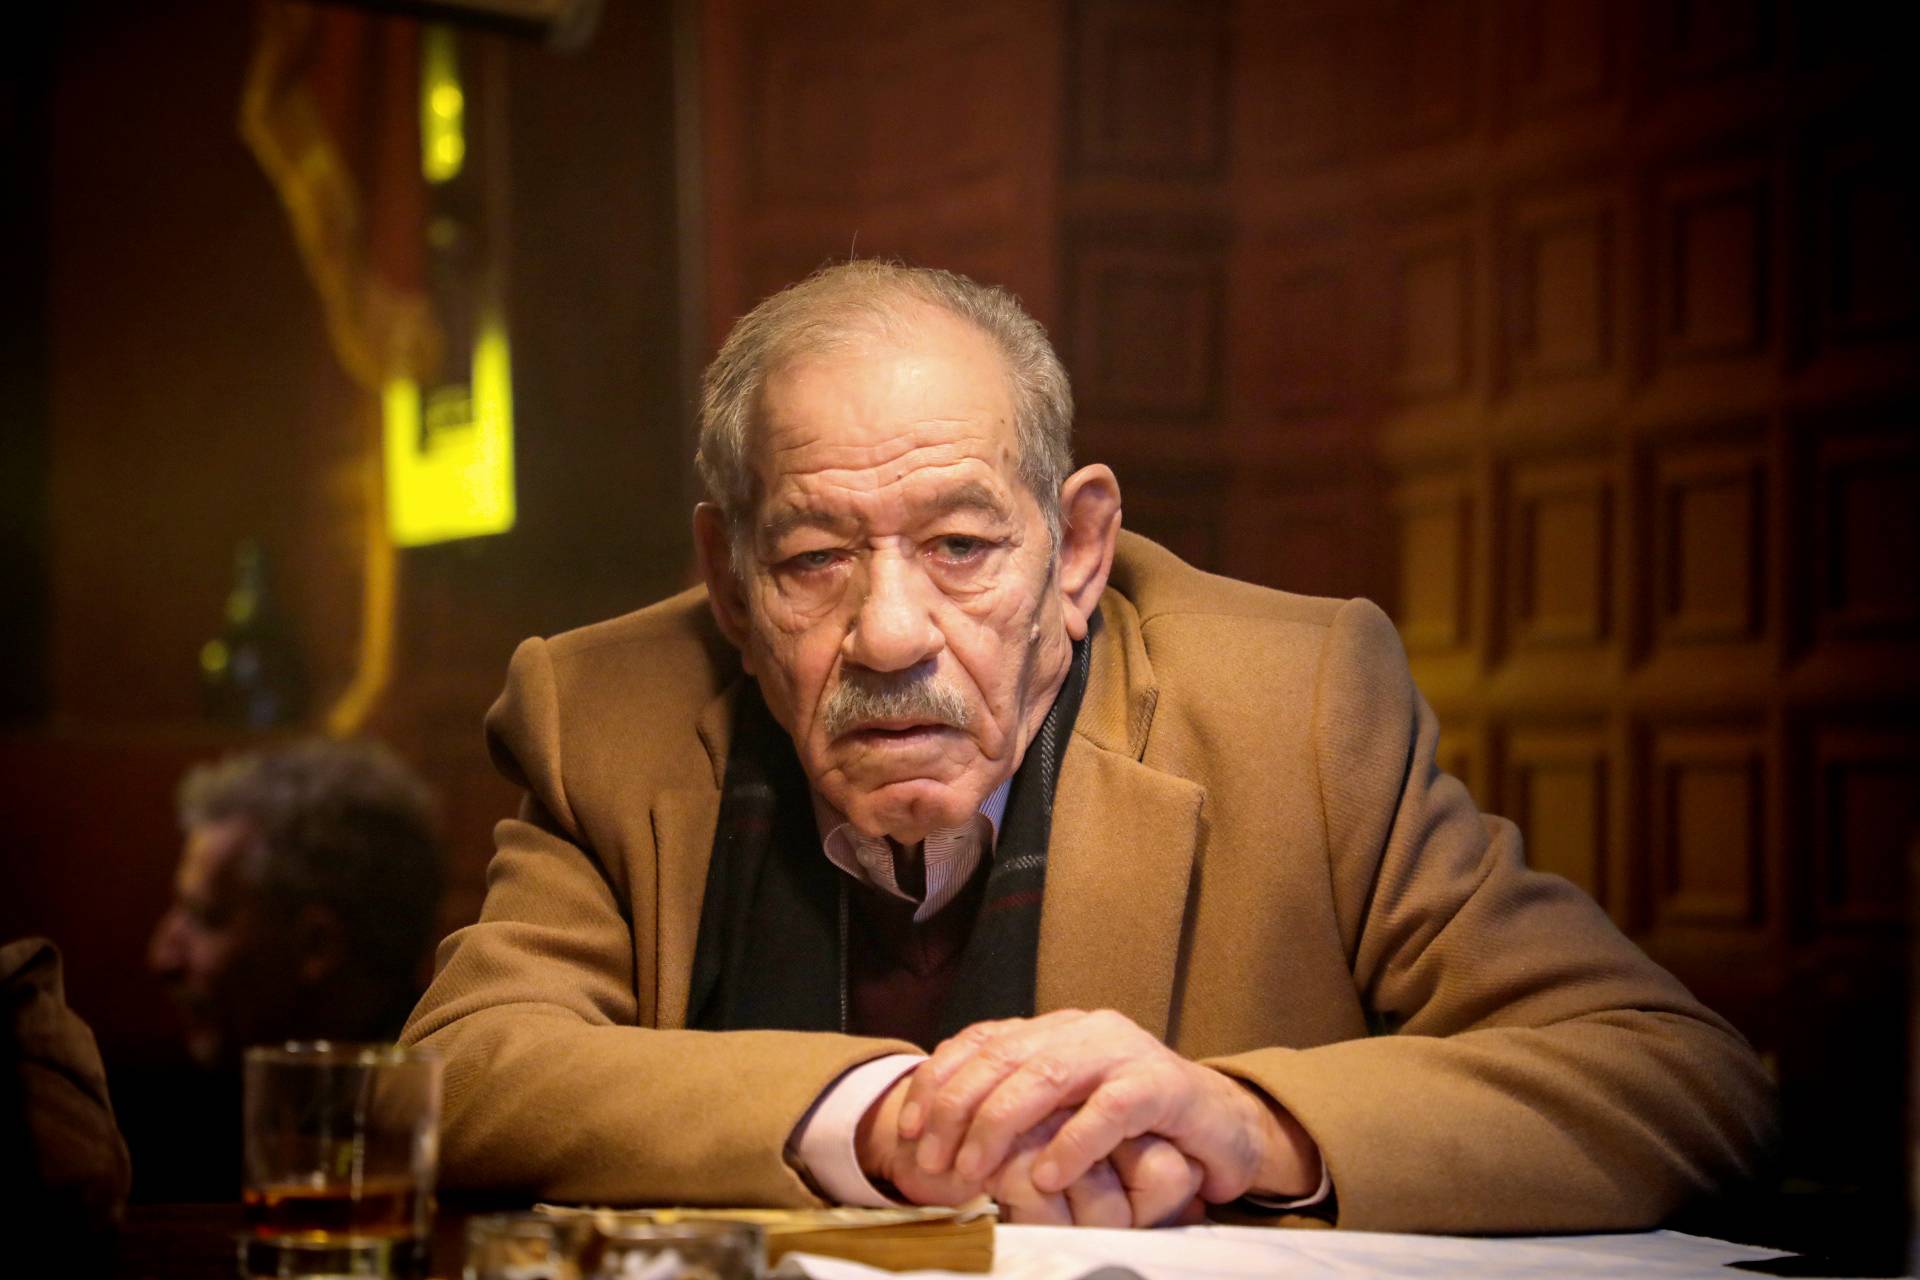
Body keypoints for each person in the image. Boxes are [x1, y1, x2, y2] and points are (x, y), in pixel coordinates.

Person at [402, 261, 1775, 1231]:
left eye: (961, 544)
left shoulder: (1299, 702)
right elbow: (454, 1078)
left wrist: (1253, 1125)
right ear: (730, 580)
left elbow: (1675, 1075)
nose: (891, 633)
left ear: (1076, 551)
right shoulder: (603, 712)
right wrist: (883, 1118)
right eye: (814, 557)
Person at [131, 737, 443, 1199]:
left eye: (207, 918)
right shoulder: (178, 1119)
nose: (163, 957)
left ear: (316, 945)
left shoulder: (439, 1130)